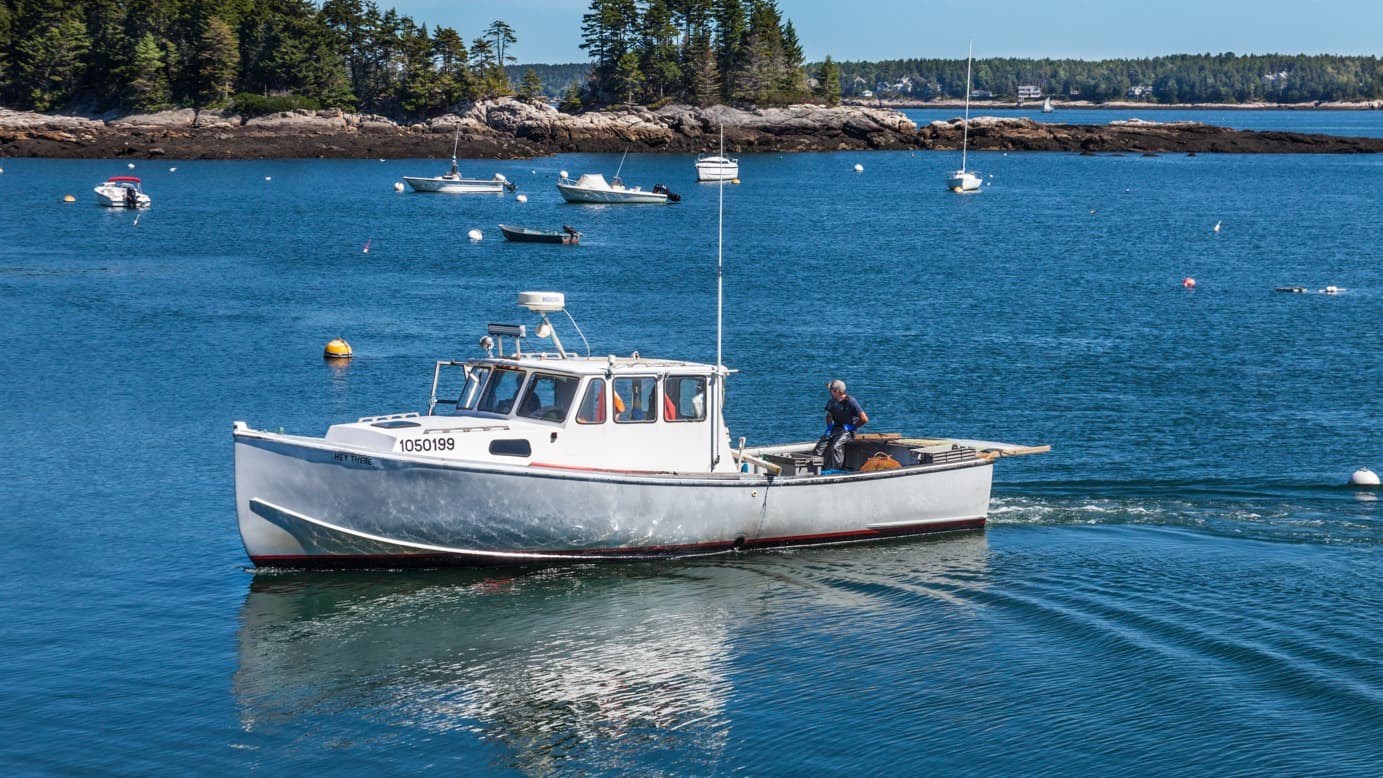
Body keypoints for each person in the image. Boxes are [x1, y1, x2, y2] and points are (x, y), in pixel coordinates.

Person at [813, 379, 868, 471]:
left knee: (836, 447)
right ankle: (818, 470)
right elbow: (829, 416)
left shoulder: (851, 402)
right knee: (819, 448)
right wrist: (829, 428)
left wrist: (853, 427)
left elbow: (864, 419)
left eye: (830, 390)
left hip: (847, 431)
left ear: (837, 391)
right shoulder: (831, 401)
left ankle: (836, 471)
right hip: (835, 429)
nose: (829, 392)